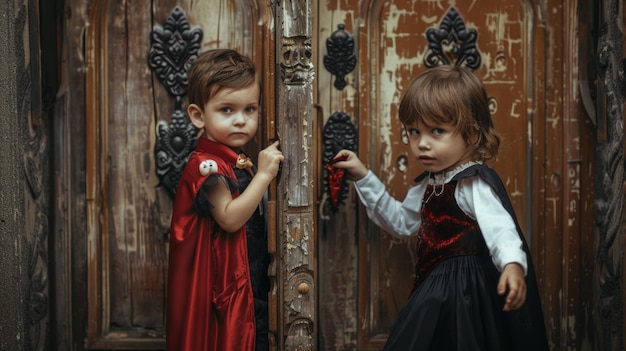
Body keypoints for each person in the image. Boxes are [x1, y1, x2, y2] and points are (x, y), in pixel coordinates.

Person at [332, 65, 549, 350]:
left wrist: (512, 265)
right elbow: (400, 221)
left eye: (437, 131)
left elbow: (501, 230)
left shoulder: (473, 184)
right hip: (434, 289)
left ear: (471, 135)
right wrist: (363, 176)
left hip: (466, 296)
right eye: (414, 131)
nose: (422, 144)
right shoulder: (429, 185)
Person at [166, 48, 283, 351]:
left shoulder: (235, 161)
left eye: (250, 110)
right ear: (197, 115)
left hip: (249, 279)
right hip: (226, 290)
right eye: (227, 110)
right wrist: (264, 175)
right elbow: (229, 218)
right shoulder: (207, 166)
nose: (241, 120)